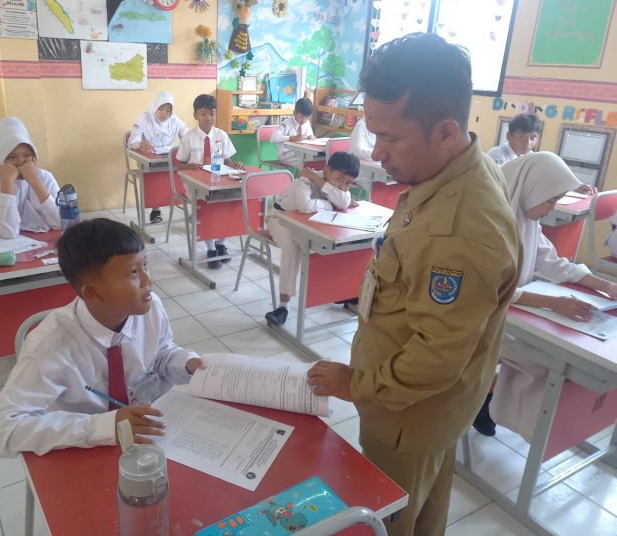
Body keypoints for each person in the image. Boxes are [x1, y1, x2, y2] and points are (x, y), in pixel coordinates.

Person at [306, 33, 521, 536]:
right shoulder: (457, 170)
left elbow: (436, 357)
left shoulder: (460, 229)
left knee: (391, 520)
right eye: (372, 134)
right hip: (425, 409)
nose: (377, 153)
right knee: (423, 512)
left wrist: (355, 384)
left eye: (391, 138)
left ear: (445, 131)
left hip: (406, 413)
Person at [0, 218, 204, 458]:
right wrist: (104, 426)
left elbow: (161, 353)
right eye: (133, 273)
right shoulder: (50, 346)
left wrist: (188, 364)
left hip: (150, 436)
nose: (148, 280)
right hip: (86, 450)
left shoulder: (151, 308)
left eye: (145, 265)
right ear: (93, 292)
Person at [477, 152, 617, 440]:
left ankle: (493, 397)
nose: (552, 208)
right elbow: (489, 289)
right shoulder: (487, 224)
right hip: (480, 320)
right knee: (546, 361)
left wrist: (605, 285)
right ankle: (489, 396)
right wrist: (554, 303)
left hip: (513, 313)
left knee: (556, 356)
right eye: (551, 200)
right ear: (531, 189)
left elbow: (554, 263)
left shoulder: (527, 220)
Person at [264, 152, 359, 326]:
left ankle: (343, 291)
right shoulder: (305, 180)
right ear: (326, 170)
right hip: (279, 218)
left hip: (310, 222)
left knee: (342, 241)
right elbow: (304, 206)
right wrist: (330, 204)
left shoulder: (334, 184)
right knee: (293, 247)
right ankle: (283, 307)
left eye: (348, 183)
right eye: (339, 179)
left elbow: (344, 203)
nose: (343, 186)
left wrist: (324, 185)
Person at [176, 94, 244, 269]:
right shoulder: (188, 137)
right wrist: (191, 166)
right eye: (203, 114)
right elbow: (179, 165)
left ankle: (220, 244)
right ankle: (211, 249)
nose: (208, 118)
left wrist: (234, 164)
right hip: (196, 185)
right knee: (207, 207)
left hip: (219, 181)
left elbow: (227, 160)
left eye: (212, 114)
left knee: (230, 203)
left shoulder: (221, 135)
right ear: (195, 115)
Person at [0, 117, 60, 238]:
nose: (21, 162)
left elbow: (60, 223)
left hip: (41, 242)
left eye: (27, 155)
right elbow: (7, 232)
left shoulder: (45, 177)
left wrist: (35, 182)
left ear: (34, 157)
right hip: (0, 245)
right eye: (11, 157)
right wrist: (7, 183)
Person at [128, 91, 189, 224]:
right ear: (155, 106)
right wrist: (141, 144)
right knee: (156, 176)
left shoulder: (175, 121)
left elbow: (188, 137)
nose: (164, 113)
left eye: (168, 110)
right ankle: (155, 210)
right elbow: (132, 142)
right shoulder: (144, 119)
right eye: (160, 108)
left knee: (185, 171)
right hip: (148, 160)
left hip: (168, 158)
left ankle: (187, 205)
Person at [270, 97, 315, 168]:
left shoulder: (307, 123)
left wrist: (311, 137)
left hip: (301, 153)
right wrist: (291, 138)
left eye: (306, 117)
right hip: (286, 155)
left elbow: (310, 135)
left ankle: (307, 174)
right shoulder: (286, 124)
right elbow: (273, 138)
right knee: (306, 164)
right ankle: (305, 174)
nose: (303, 120)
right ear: (295, 113)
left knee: (315, 160)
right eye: (301, 117)